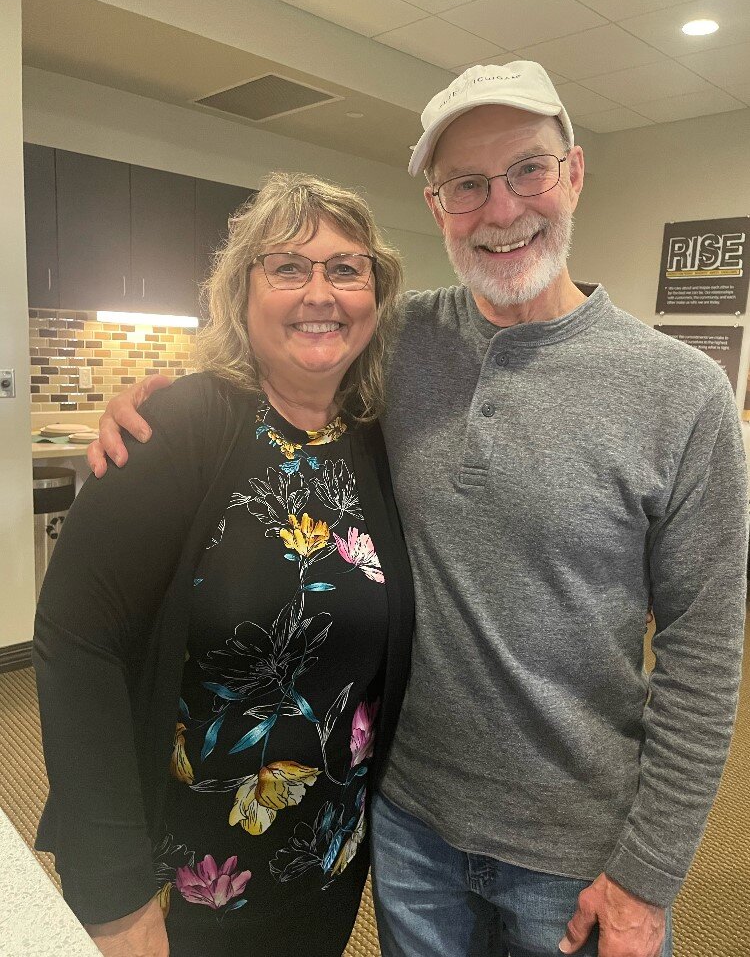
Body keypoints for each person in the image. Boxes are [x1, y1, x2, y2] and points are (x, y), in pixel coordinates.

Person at [86, 62, 748, 957]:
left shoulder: (684, 394)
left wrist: (648, 878)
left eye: (528, 170)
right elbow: (278, 372)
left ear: (575, 174)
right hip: (407, 830)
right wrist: (156, 404)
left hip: (576, 856)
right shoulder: (395, 343)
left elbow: (704, 659)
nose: (501, 209)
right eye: (466, 185)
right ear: (437, 207)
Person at [33, 172, 414, 957]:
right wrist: (113, 894)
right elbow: (77, 643)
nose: (320, 292)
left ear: (376, 296)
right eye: (288, 267)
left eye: (346, 268)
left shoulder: (375, 442)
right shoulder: (183, 425)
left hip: (325, 863)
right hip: (184, 880)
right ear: (242, 292)